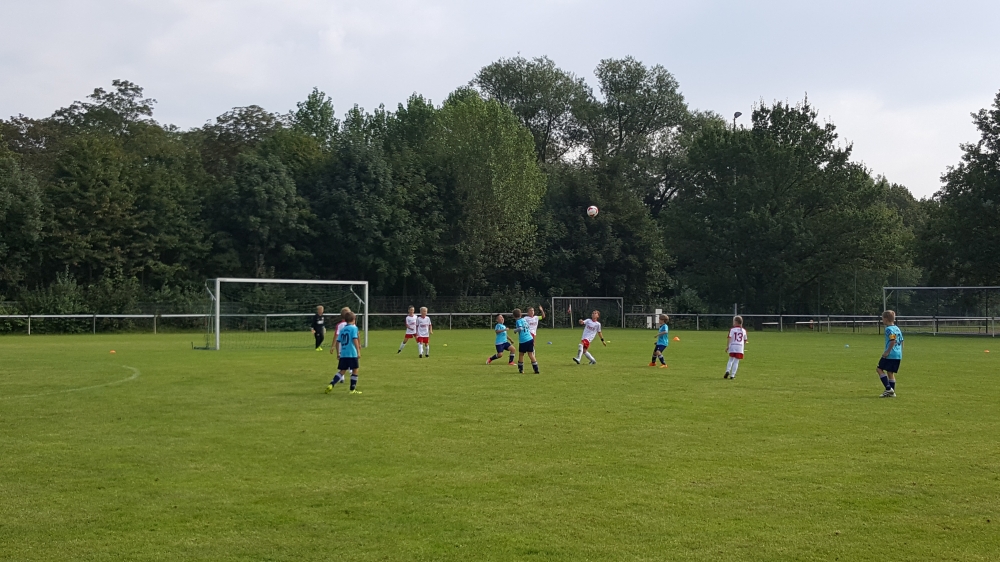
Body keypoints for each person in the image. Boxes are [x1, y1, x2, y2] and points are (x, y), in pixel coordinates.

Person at [326, 310, 362, 395]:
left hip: (343, 353)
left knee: (342, 371)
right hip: (352, 353)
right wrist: (358, 351)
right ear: (353, 319)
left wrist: (338, 353)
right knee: (355, 370)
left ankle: (332, 384)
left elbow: (338, 341)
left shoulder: (342, 329)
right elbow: (355, 339)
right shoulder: (354, 328)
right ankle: (352, 389)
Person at [877, 310, 904, 398]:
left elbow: (892, 340)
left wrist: (887, 352)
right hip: (897, 354)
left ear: (886, 319)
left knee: (879, 369)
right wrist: (900, 351)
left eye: (882, 319)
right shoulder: (897, 328)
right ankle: (892, 392)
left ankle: (888, 388)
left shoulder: (888, 329)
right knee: (890, 372)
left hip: (890, 354)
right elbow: (902, 340)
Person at [512, 308, 540, 374]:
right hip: (530, 338)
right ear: (521, 314)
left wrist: (515, 330)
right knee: (531, 354)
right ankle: (536, 369)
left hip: (524, 340)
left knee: (521, 354)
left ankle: (521, 369)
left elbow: (521, 328)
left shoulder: (518, 321)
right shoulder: (524, 320)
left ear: (514, 316)